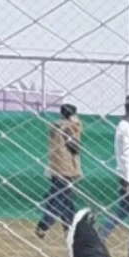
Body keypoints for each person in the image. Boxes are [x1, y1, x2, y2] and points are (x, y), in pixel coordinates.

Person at [35, 102, 81, 238]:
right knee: (60, 199)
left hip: (55, 166)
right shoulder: (70, 127)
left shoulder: (54, 126)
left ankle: (69, 227)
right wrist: (75, 124)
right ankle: (43, 225)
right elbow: (75, 147)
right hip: (66, 168)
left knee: (66, 199)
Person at [98, 95, 129, 252]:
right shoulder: (126, 128)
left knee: (125, 211)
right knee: (125, 211)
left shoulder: (127, 126)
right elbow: (127, 155)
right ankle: (102, 234)